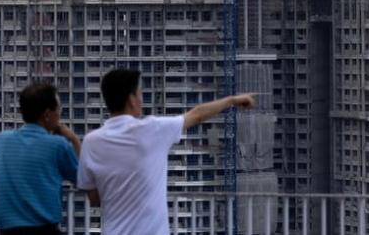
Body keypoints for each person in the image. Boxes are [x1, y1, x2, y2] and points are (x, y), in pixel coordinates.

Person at [77, 68, 256, 234]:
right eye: (140, 94)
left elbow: (94, 198)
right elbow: (197, 114)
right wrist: (232, 100)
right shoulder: (152, 129)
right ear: (131, 99)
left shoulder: (91, 142)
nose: (141, 99)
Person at [0, 82, 80, 235]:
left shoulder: (2, 139)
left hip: (6, 229)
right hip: (45, 229)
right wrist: (74, 140)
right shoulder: (57, 145)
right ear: (47, 114)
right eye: (58, 109)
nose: (60, 114)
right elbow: (82, 179)